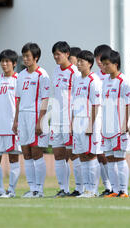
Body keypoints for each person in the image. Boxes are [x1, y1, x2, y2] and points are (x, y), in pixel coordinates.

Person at [13, 43, 50, 198]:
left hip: (36, 116)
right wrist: (15, 121)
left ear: (36, 57)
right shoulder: (20, 75)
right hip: (22, 117)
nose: (25, 59)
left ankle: (39, 189)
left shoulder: (43, 75)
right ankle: (32, 188)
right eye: (24, 56)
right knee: (26, 153)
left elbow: (45, 99)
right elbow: (18, 99)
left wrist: (40, 121)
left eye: (28, 56)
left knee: (36, 152)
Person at [48, 41, 82, 197]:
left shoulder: (75, 72)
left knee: (74, 154)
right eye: (54, 54)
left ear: (67, 54)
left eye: (58, 54)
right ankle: (64, 189)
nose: (56, 57)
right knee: (58, 154)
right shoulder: (55, 71)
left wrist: (75, 120)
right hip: (56, 119)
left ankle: (80, 188)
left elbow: (77, 98)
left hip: (69, 119)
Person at [0, 49, 22, 198]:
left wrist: (17, 122)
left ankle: (11, 191)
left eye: (7, 61)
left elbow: (21, 103)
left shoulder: (19, 79)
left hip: (13, 127)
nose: (4, 64)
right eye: (2, 61)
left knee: (13, 158)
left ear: (14, 63)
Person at [100, 50, 130, 198]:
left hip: (119, 126)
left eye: (107, 64)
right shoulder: (105, 81)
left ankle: (124, 191)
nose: (104, 67)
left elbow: (128, 104)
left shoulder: (123, 81)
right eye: (103, 64)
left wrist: (126, 123)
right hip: (107, 126)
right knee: (109, 158)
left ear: (116, 64)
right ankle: (114, 190)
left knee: (120, 158)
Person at [71, 50, 103, 198]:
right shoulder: (77, 79)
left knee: (90, 155)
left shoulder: (94, 80)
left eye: (81, 61)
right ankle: (86, 189)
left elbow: (96, 105)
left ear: (89, 63)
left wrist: (90, 124)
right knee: (81, 156)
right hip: (77, 121)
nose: (78, 64)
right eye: (77, 61)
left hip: (89, 121)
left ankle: (93, 189)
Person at [93, 44, 113, 196]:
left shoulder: (113, 76)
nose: (99, 61)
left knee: (110, 154)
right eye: (97, 58)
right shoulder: (94, 77)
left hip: (111, 120)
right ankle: (107, 186)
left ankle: (116, 186)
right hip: (98, 119)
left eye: (101, 58)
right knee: (99, 154)